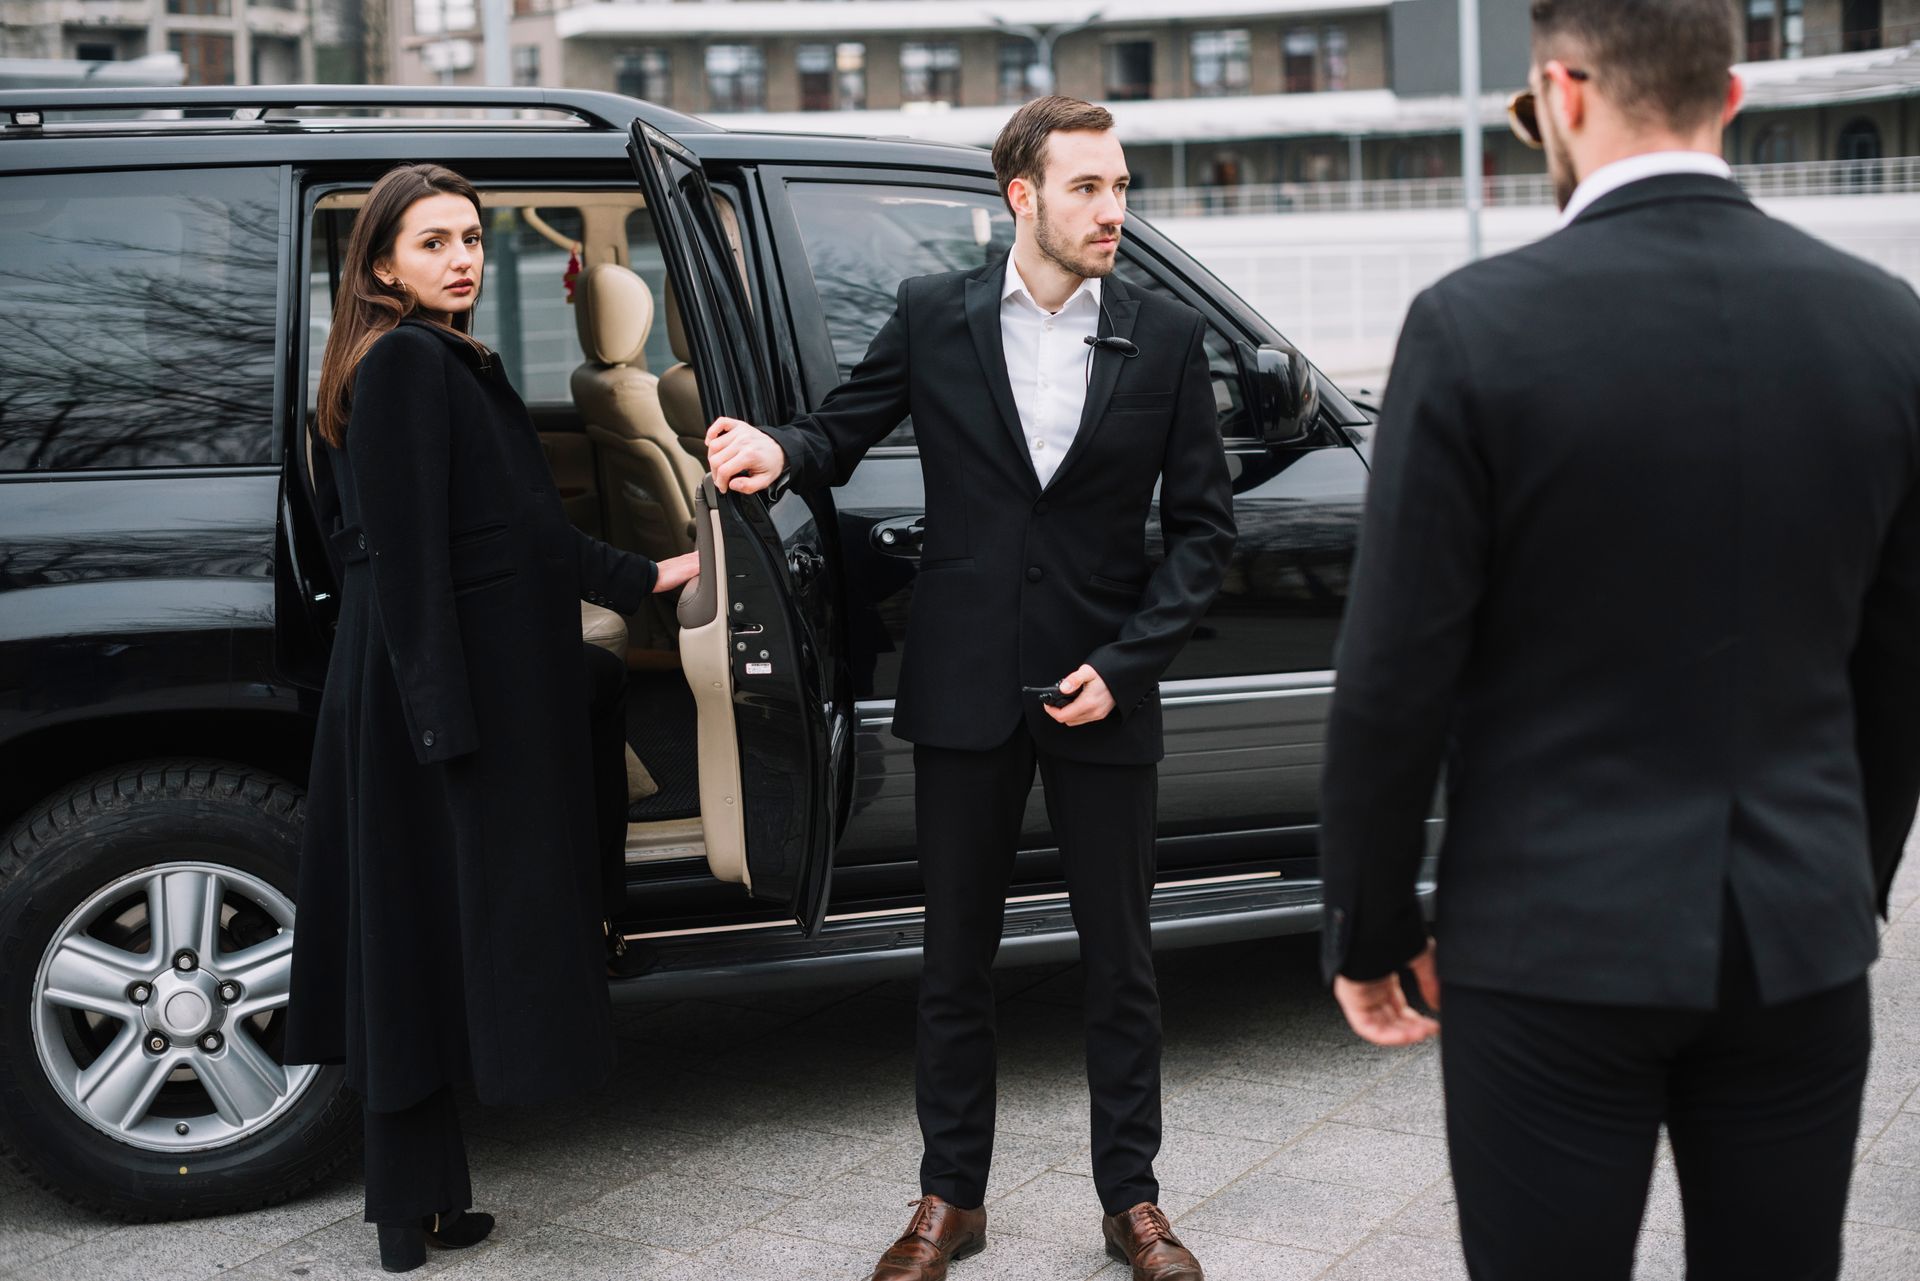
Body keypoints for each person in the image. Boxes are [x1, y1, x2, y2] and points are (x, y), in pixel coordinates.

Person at [1317, 2, 1920, 1278]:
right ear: (1733, 98)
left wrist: (1370, 928)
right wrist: (1840, 883)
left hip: (1550, 938)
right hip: (1797, 937)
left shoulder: (1474, 326)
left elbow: (1392, 680)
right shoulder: (1886, 323)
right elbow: (1900, 663)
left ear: (1564, 92)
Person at [708, 95, 1235, 1281]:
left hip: (1104, 689)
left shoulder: (1163, 333)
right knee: (955, 961)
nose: (1113, 209)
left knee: (1123, 965)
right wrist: (775, 451)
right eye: (1088, 187)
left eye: (1120, 186)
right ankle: (951, 1199)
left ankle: (1135, 1203)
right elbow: (838, 433)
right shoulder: (933, 313)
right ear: (1022, 196)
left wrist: (1126, 664)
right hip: (962, 687)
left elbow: (1205, 533)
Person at [284, 162, 699, 1273]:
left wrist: (649, 576)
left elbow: (518, 533)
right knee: (409, 943)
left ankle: (418, 1202)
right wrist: (438, 726)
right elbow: (407, 560)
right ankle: (403, 1206)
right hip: (430, 698)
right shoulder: (408, 364)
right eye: (433, 243)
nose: (462, 258)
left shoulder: (428, 356)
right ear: (381, 266)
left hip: (431, 688)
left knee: (410, 943)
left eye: (470, 238)